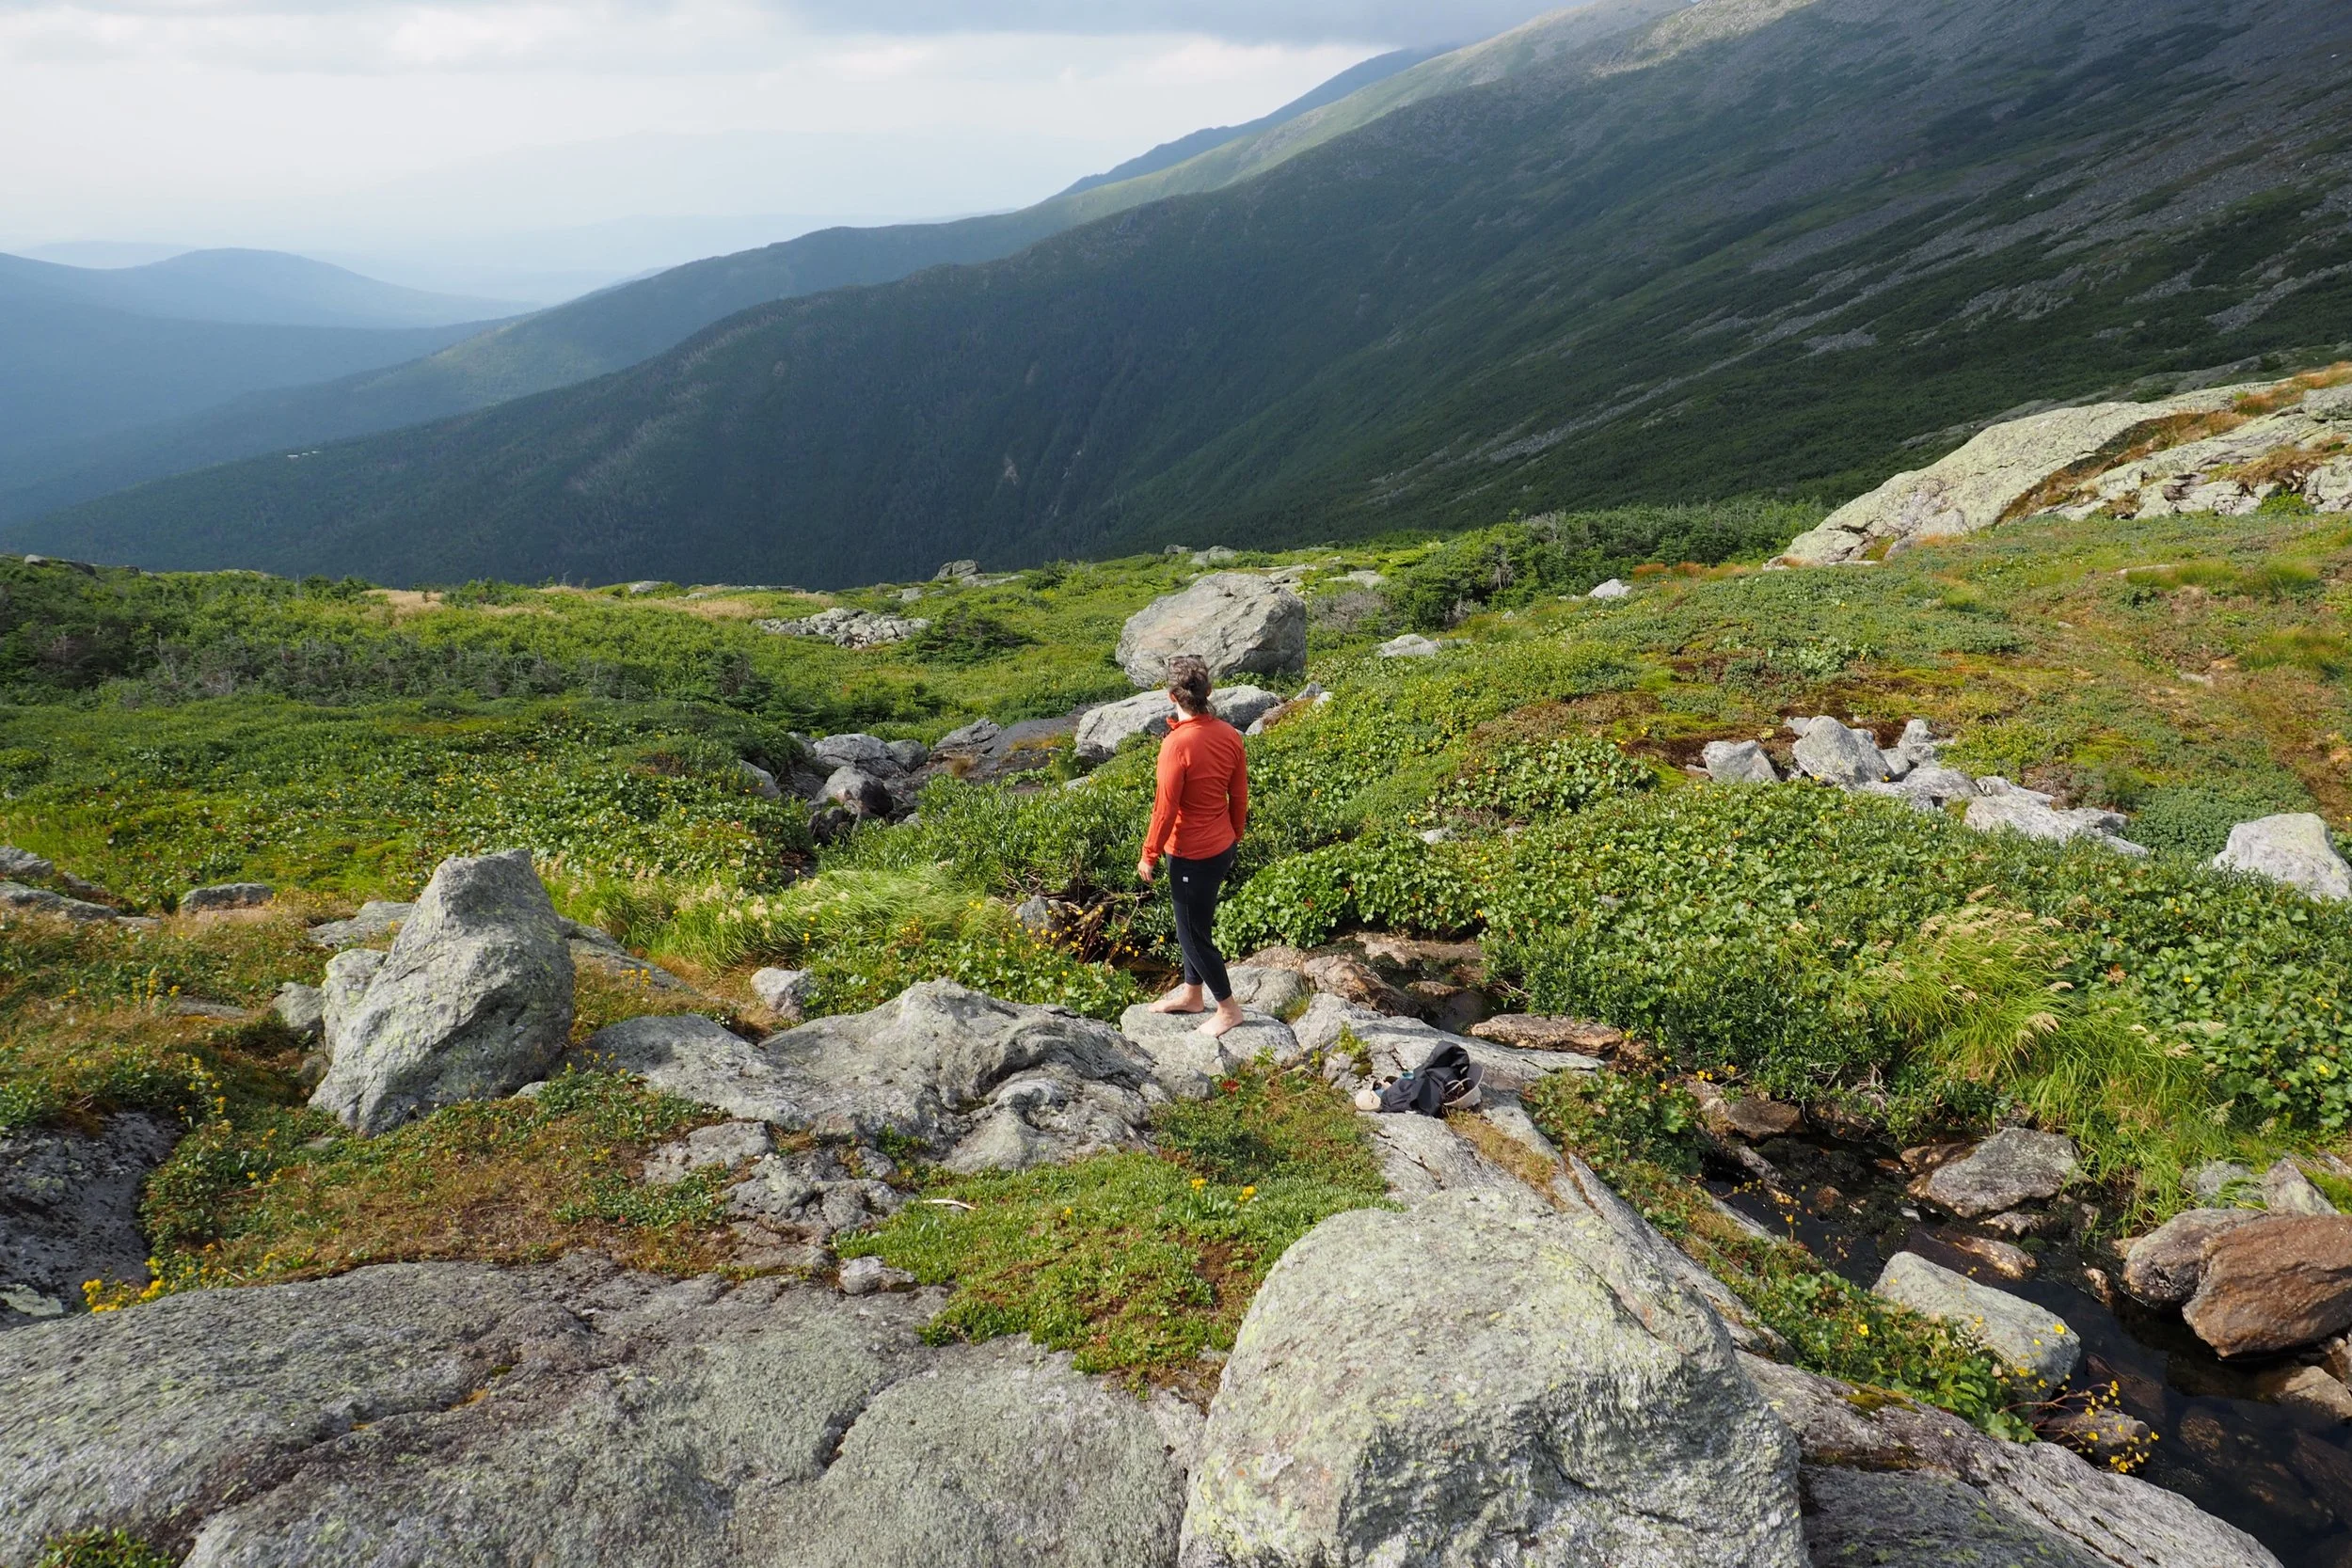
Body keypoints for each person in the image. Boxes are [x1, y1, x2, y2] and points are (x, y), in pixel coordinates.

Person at [1136, 654, 1249, 1037]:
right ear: (1209, 692)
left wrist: (1149, 854)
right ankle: (1191, 994)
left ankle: (1228, 1009)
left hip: (1190, 854)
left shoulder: (1175, 745)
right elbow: (1239, 793)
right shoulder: (1230, 735)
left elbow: (1164, 810)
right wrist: (1235, 834)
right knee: (1195, 923)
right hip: (1221, 847)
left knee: (1192, 935)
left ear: (1172, 696)